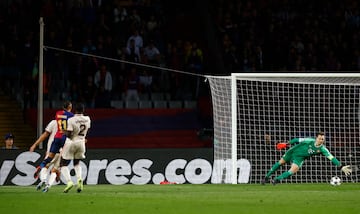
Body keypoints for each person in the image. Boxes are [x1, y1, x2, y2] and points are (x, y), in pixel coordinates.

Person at [262, 131, 352, 185]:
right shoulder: (309, 140)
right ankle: (266, 177)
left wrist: (341, 166)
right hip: (293, 151)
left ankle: (277, 180)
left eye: (323, 139)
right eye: (320, 138)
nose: (321, 140)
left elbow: (332, 158)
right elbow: (297, 140)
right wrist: (286, 144)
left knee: (293, 170)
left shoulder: (323, 149)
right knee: (280, 163)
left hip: (300, 158)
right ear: (316, 138)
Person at [34, 101, 73, 179]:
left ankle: (41, 166)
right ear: (70, 107)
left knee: (49, 159)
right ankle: (56, 171)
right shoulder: (71, 116)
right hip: (64, 138)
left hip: (57, 137)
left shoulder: (58, 113)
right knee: (65, 158)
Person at [60, 102, 91, 193]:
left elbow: (69, 134)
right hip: (81, 143)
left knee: (63, 164)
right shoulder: (87, 119)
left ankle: (69, 182)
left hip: (72, 142)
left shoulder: (71, 120)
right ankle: (79, 179)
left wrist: (63, 131)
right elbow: (87, 130)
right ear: (83, 110)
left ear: (75, 110)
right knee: (76, 163)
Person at [29, 119, 61, 192]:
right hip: (62, 151)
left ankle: (43, 180)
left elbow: (45, 134)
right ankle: (48, 186)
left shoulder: (54, 122)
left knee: (45, 166)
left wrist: (35, 144)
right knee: (54, 170)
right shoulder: (68, 123)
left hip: (52, 150)